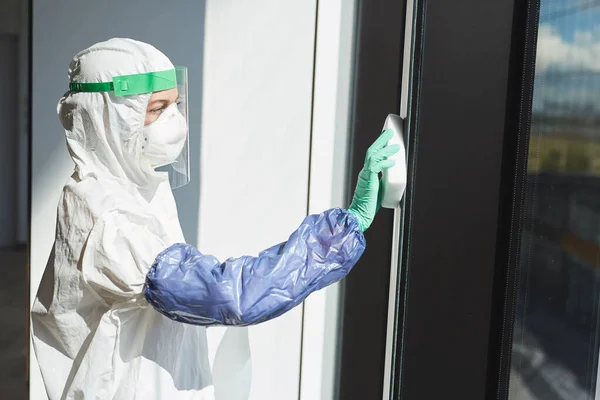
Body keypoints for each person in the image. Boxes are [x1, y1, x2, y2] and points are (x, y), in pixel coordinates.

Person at [30, 38, 400, 400]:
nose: (172, 122)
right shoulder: (105, 217)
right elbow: (234, 296)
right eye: (156, 108)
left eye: (175, 105)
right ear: (109, 118)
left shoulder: (131, 184)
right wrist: (347, 225)